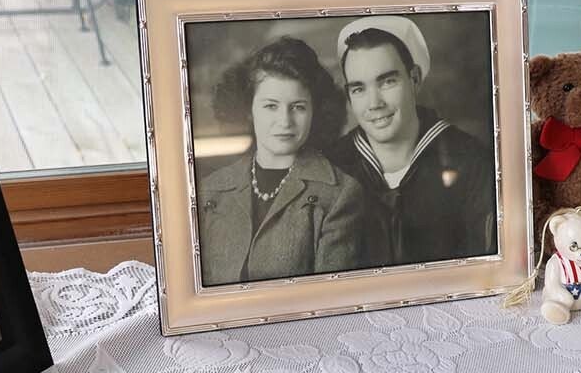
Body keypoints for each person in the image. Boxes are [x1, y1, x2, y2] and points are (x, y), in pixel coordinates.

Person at [196, 35, 377, 285]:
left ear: (315, 111)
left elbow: (329, 297)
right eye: (271, 106)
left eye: (298, 107)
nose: (285, 121)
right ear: (248, 110)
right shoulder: (211, 189)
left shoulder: (340, 195)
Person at [324, 15, 497, 265]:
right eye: (359, 88)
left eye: (387, 82)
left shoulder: (472, 162)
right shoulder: (330, 169)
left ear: (414, 79)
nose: (374, 103)